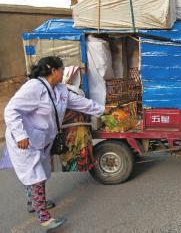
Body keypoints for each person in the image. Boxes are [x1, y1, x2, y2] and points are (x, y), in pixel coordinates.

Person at [3, 56, 106, 230]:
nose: (64, 72)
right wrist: (20, 135)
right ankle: (44, 218)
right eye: (62, 69)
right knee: (36, 177)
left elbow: (80, 103)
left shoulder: (60, 89)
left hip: (42, 139)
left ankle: (33, 202)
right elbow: (11, 110)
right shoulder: (34, 87)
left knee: (39, 173)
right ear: (53, 70)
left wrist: (102, 110)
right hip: (24, 141)